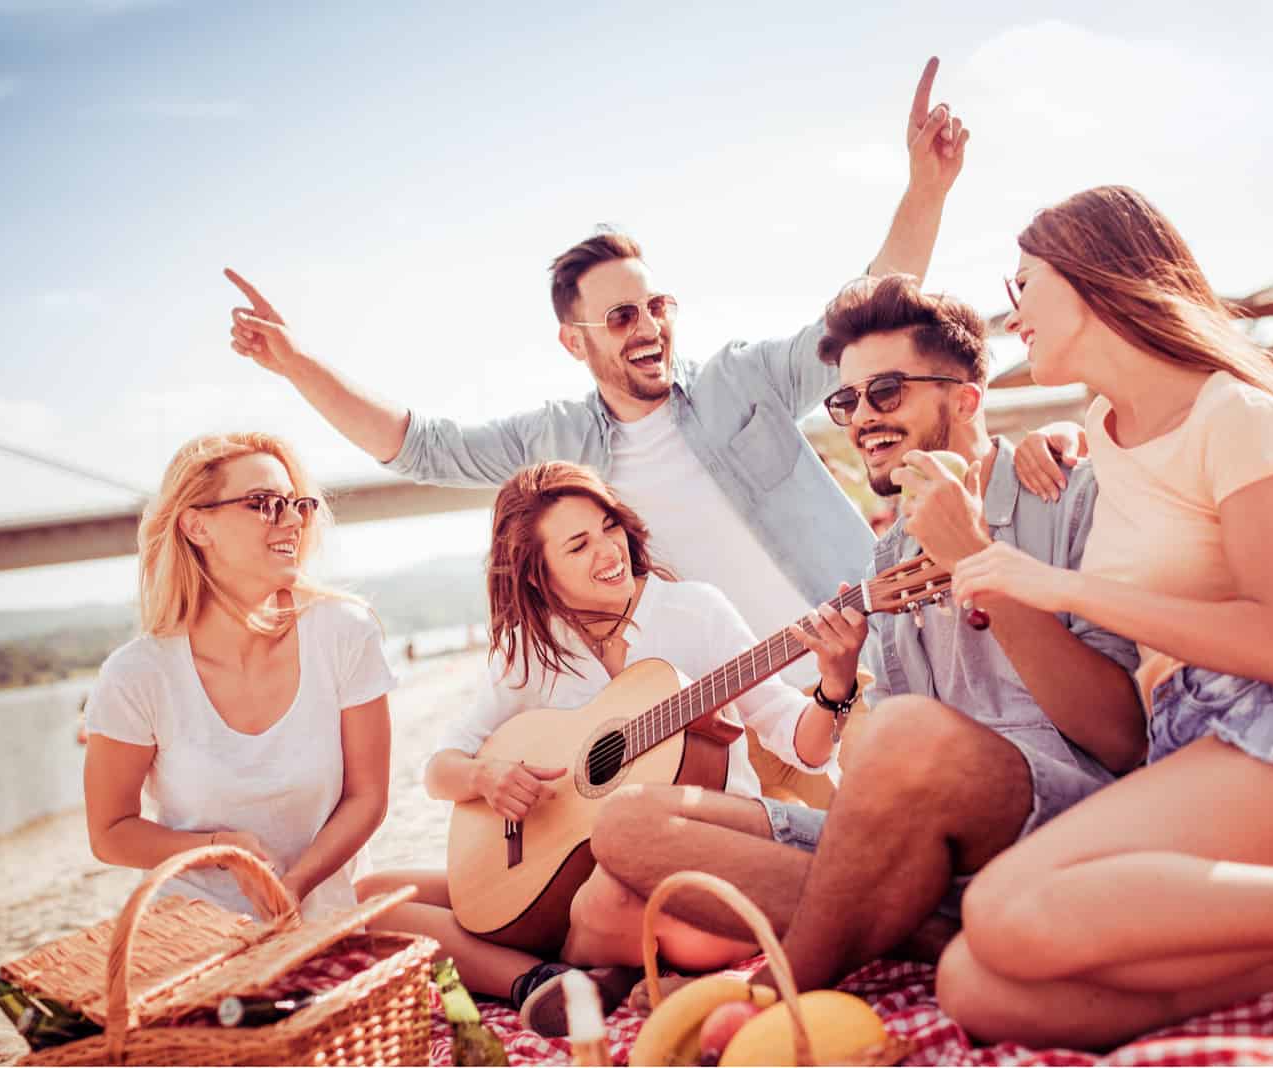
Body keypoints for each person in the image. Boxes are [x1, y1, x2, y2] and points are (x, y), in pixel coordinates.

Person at [221, 58, 968, 699]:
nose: (646, 327)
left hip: (876, 654)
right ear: (572, 342)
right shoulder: (558, 444)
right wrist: (294, 364)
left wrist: (926, 191)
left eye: (655, 306)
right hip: (743, 717)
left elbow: (862, 319)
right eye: (619, 318)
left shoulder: (742, 380)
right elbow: (421, 447)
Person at [933, 185, 1273, 1050]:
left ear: (1094, 278)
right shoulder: (1097, 425)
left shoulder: (1234, 414)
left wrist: (1062, 589)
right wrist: (1045, 444)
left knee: (1002, 908)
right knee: (974, 984)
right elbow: (1135, 474)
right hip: (1191, 742)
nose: (1010, 314)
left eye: (1024, 286)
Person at [588, 274, 1144, 993]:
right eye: (846, 400)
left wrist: (977, 560)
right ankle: (927, 931)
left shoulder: (1072, 497)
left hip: (1057, 819)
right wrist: (838, 688)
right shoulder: (890, 553)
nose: (860, 419)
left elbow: (1121, 739)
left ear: (965, 398)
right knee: (628, 824)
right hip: (933, 849)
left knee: (902, 734)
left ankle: (774, 999)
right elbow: (885, 776)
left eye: (887, 393)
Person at [353, 461, 867, 1035]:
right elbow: (438, 770)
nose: (608, 550)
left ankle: (560, 972)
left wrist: (835, 685)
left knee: (602, 899)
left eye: (608, 526)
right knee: (373, 897)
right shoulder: (530, 650)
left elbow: (801, 743)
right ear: (536, 574)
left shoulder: (693, 610)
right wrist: (487, 778)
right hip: (563, 873)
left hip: (690, 869)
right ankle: (543, 976)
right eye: (578, 545)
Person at [83, 432, 393, 921]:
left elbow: (368, 795)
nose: (292, 521)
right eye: (264, 503)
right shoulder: (137, 675)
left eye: (297, 504)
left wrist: (294, 886)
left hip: (327, 918)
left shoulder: (343, 633)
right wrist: (219, 849)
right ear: (196, 526)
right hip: (193, 931)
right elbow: (110, 831)